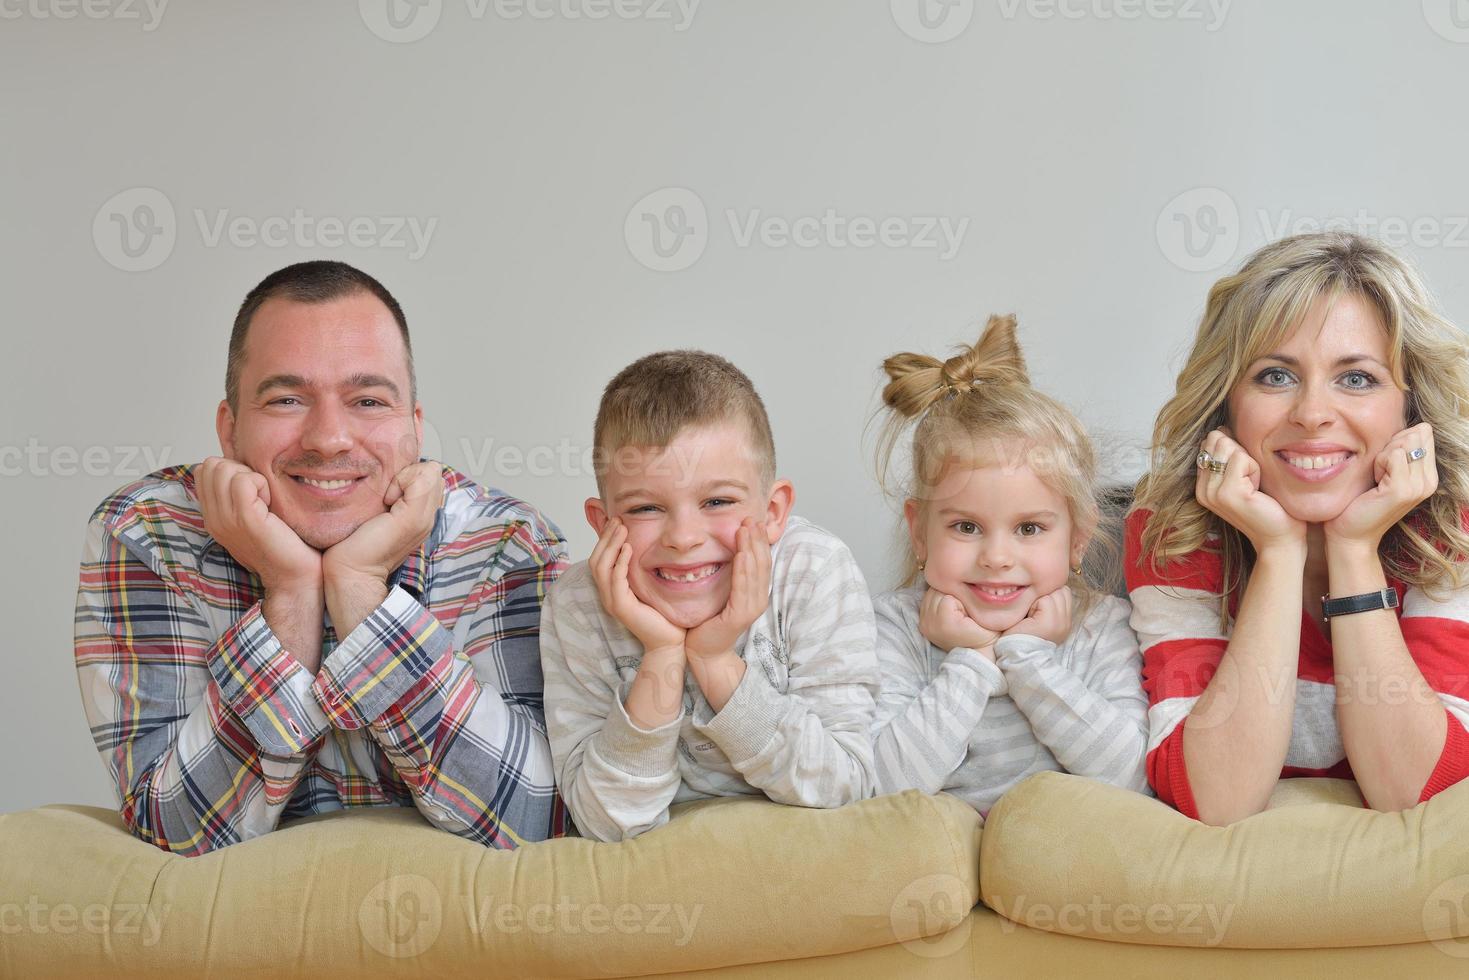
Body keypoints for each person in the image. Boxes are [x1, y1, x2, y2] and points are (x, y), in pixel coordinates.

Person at [74, 260, 568, 854]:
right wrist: (290, 592)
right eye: (286, 399)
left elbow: (541, 822)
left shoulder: (506, 543)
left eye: (367, 401)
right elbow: (176, 835)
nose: (328, 438)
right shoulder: (148, 535)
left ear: (414, 428)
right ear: (229, 431)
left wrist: (360, 588)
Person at [1128, 232, 1469, 825]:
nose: (1313, 413)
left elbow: (1415, 792)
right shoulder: (1170, 532)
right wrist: (1279, 553)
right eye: (1276, 377)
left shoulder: (1454, 531)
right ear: (1226, 404)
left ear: (1409, 408)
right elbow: (1216, 798)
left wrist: (1354, 548)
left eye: (1357, 378)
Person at [539, 351, 879, 841]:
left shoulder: (813, 570)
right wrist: (661, 655)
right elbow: (608, 821)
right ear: (602, 523)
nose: (683, 537)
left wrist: (716, 660)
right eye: (645, 508)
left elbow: (846, 785)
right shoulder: (576, 605)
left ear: (773, 511)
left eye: (717, 501)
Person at [868, 314, 1149, 816]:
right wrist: (973, 661)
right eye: (966, 527)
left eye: (1029, 529)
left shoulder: (1103, 628)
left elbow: (1131, 777)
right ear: (919, 532)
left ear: (1079, 538)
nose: (997, 558)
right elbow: (885, 786)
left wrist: (1026, 656)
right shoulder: (893, 629)